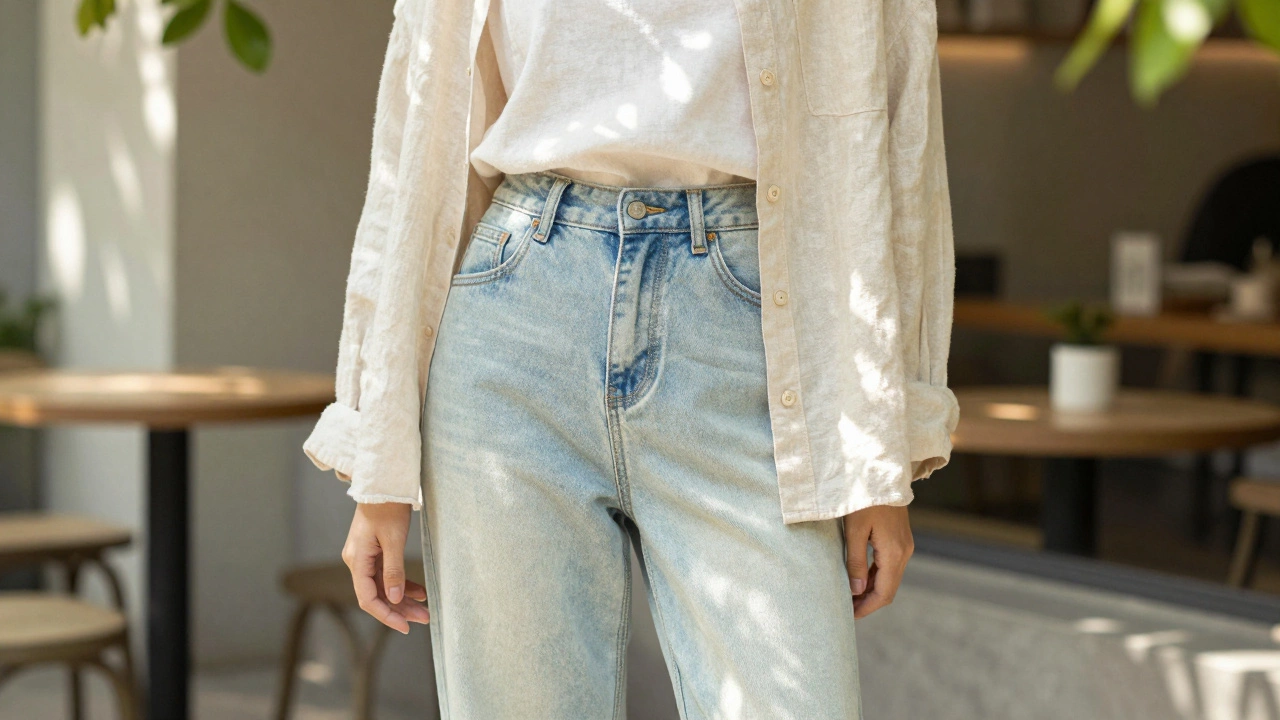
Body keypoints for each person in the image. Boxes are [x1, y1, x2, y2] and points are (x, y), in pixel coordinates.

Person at [303, 0, 959, 716]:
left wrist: (883, 447)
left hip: (756, 333)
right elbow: (416, 135)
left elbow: (901, 132)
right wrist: (379, 456)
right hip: (517, 323)